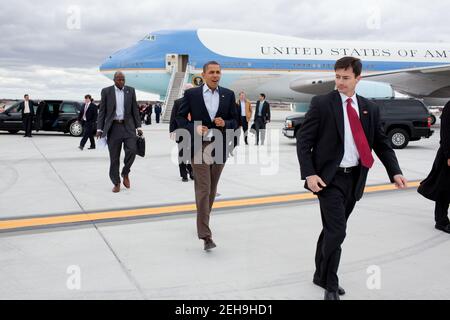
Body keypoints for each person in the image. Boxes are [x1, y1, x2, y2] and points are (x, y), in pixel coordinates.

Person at [297, 56, 408, 300]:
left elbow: (381, 143)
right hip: (328, 179)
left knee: (331, 230)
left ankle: (319, 274)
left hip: (355, 178)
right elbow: (304, 141)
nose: (340, 82)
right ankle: (330, 284)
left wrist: (395, 171)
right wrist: (309, 173)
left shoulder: (369, 108)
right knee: (337, 231)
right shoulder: (322, 103)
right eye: (337, 77)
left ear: (358, 78)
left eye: (346, 78)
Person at [176, 61, 238, 251]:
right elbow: (179, 118)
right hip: (198, 145)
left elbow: (236, 121)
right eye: (211, 72)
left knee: (212, 188)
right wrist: (194, 127)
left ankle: (203, 219)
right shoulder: (191, 94)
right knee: (204, 187)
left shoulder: (228, 94)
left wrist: (225, 123)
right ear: (203, 75)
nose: (215, 75)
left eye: (218, 72)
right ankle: (205, 235)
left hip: (219, 145)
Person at [96, 71, 143, 193]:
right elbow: (102, 111)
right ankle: (116, 182)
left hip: (128, 127)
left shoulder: (130, 91)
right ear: (114, 80)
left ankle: (125, 173)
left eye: (123, 79)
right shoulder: (106, 91)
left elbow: (134, 110)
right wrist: (99, 129)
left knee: (132, 150)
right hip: (113, 128)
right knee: (114, 158)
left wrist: (139, 126)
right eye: (119, 79)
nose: (121, 82)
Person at [418, 101, 450, 233]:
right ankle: (441, 221)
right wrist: (449, 154)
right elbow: (446, 133)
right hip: (447, 155)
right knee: (445, 189)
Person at [170, 83, 194, 182]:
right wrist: (172, 131)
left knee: (192, 153)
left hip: (194, 132)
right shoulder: (178, 102)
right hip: (181, 132)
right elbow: (173, 118)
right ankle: (184, 174)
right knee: (182, 153)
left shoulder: (197, 102)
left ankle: (191, 170)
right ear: (185, 92)